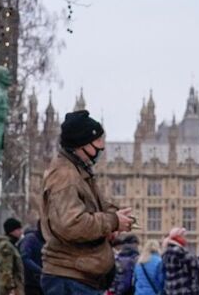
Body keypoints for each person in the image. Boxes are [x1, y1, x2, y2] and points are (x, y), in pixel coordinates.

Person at [37, 110, 135, 295]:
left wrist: (117, 217)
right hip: (69, 279)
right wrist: (112, 221)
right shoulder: (65, 176)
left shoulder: (79, 172)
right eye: (97, 141)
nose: (102, 147)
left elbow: (94, 207)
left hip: (78, 279)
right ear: (81, 144)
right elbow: (72, 224)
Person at [154, 231, 199, 295]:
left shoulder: (165, 254)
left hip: (170, 290)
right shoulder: (181, 252)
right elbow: (195, 266)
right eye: (183, 236)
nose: (185, 239)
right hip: (182, 290)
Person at [13, 224, 42, 289]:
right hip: (31, 281)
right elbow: (25, 257)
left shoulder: (34, 239)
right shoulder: (30, 239)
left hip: (36, 280)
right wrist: (40, 270)